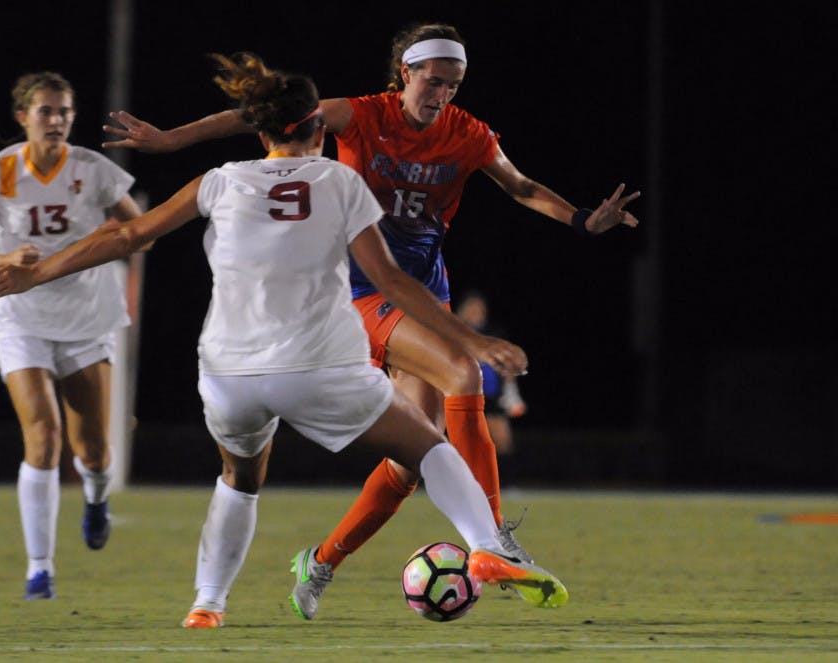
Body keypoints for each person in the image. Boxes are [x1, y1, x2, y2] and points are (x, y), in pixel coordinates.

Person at [0, 52, 569, 628]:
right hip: (320, 369)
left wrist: (33, 272)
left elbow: (126, 237)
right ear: (317, 127)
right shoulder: (341, 181)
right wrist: (472, 338)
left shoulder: (219, 182)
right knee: (430, 448)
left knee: (239, 479)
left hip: (229, 375)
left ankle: (207, 604)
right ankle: (489, 545)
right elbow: (389, 280)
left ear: (261, 136)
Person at [99, 22, 638, 619]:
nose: (443, 95)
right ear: (404, 72)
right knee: (463, 370)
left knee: (412, 464)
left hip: (420, 293)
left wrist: (582, 220)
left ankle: (321, 562)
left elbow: (522, 186)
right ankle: (494, 540)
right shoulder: (357, 115)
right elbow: (268, 114)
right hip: (361, 288)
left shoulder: (469, 134)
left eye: (454, 85)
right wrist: (171, 140)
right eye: (434, 81)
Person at [0, 71, 144, 600]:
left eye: (65, 112)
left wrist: (106, 238)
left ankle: (96, 498)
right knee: (43, 436)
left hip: (86, 318)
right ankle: (40, 569)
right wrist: (0, 258)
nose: (56, 121)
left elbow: (137, 231)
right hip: (21, 318)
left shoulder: (92, 169)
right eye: (46, 111)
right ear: (22, 117)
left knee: (93, 449)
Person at [455, 290, 526, 456]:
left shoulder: (494, 334)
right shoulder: (456, 332)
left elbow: (507, 364)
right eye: (471, 308)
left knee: (502, 440)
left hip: (491, 395)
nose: (476, 312)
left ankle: (507, 481)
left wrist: (511, 392)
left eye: (479, 308)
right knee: (464, 442)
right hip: (464, 394)